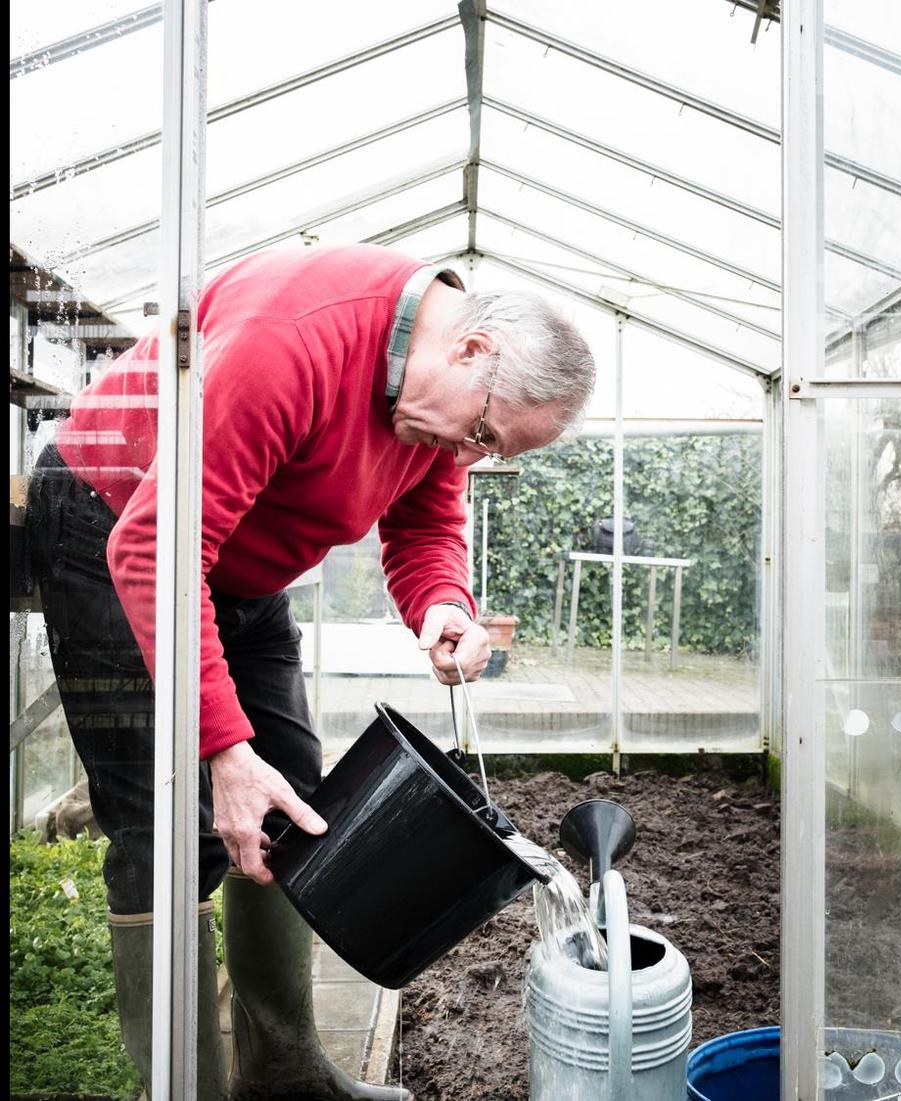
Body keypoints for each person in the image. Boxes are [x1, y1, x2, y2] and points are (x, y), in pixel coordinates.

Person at [25, 243, 595, 1101]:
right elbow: (150, 550)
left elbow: (427, 525)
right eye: (482, 434)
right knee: (166, 820)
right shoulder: (290, 342)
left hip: (235, 561)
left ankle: (284, 1067)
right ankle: (188, 1089)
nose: (472, 456)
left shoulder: (437, 400)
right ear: (472, 351)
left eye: (494, 450)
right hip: (111, 521)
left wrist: (443, 603)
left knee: (294, 790)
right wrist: (221, 747)